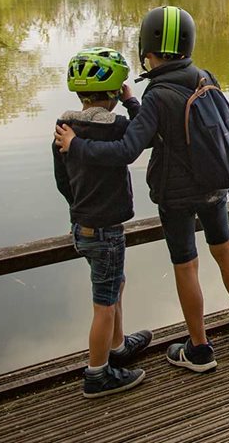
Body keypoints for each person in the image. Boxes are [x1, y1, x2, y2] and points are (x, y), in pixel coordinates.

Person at [55, 6, 229, 373]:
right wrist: (134, 102)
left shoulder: (157, 95)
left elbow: (128, 149)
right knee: (225, 248)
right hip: (215, 182)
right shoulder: (203, 76)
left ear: (147, 49)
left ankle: (199, 349)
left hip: (177, 195)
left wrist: (77, 146)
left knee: (187, 265)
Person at [53, 47, 152, 398]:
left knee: (114, 286)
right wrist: (132, 102)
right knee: (104, 304)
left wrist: (81, 209)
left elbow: (63, 181)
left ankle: (118, 347)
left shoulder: (64, 127)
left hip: (82, 228)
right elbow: (145, 135)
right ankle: (97, 374)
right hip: (107, 231)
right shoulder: (116, 128)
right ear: (114, 92)